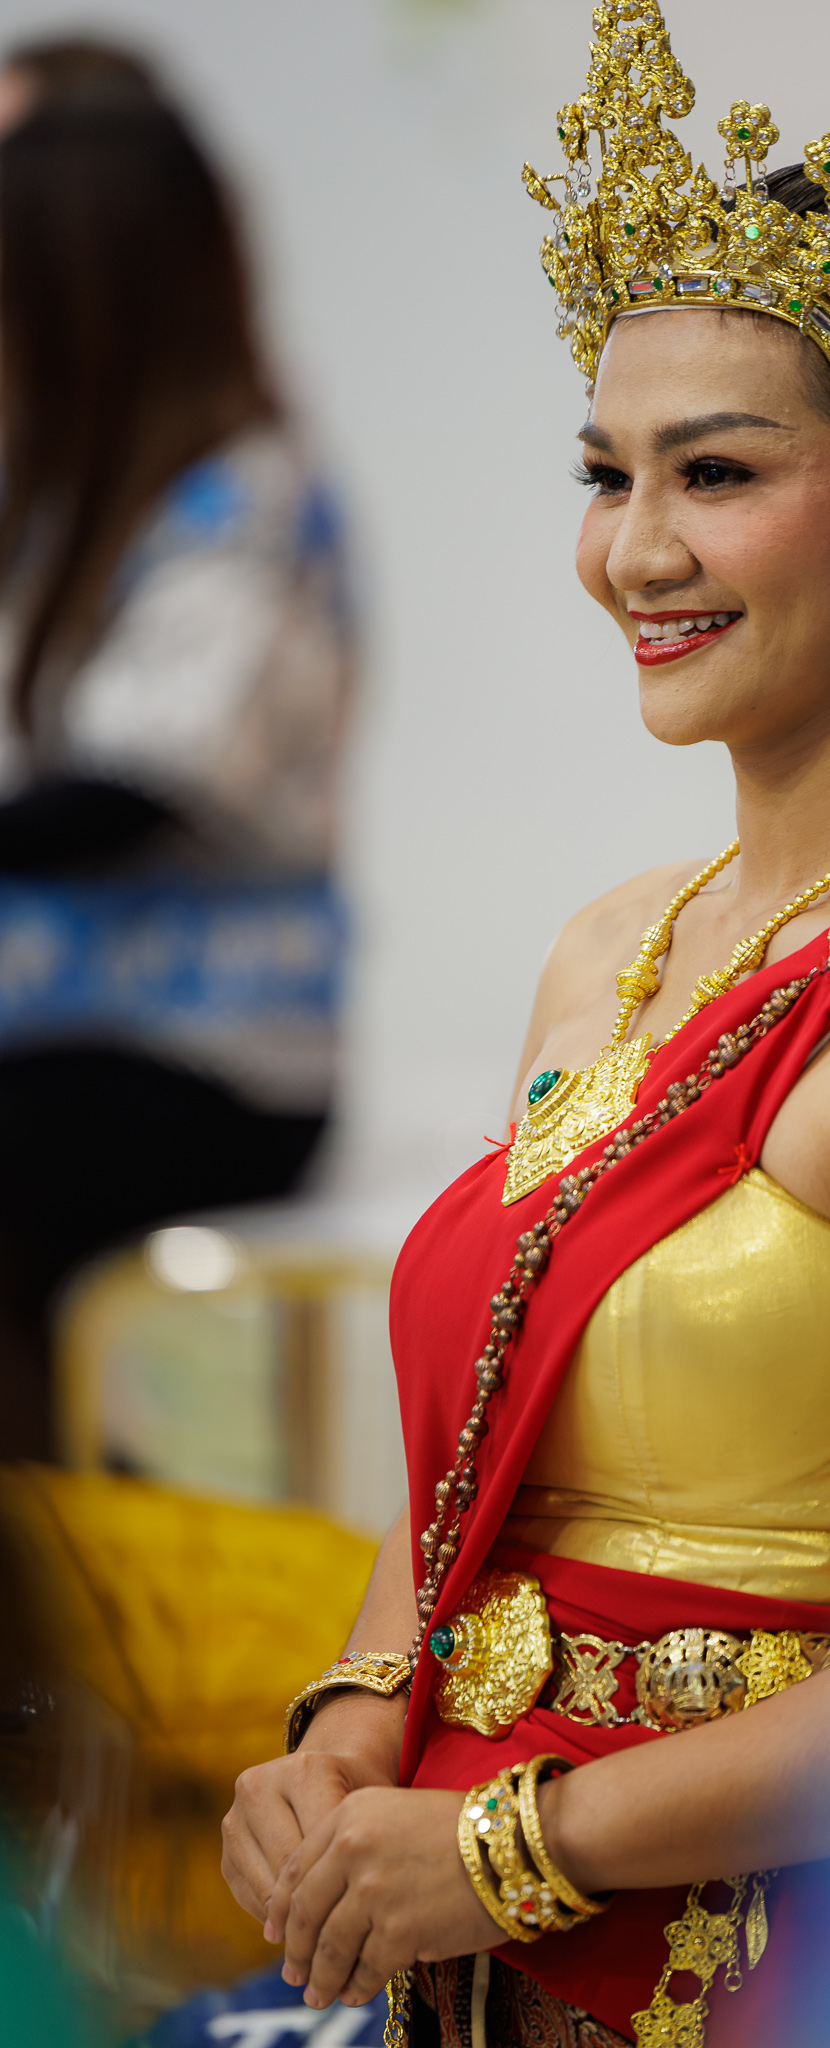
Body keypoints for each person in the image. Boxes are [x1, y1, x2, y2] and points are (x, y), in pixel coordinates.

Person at [221, 4, 830, 2043]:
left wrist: (518, 1847)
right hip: (457, 1939)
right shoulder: (612, 951)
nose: (633, 552)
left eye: (717, 473)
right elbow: (483, 1471)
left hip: (772, 1972)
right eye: (605, 475)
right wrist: (349, 1725)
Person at [0, 42, 355, 1459]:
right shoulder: (56, 497)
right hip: (51, 1043)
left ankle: (62, 1559)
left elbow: (131, 790)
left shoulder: (246, 504)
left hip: (208, 1067)